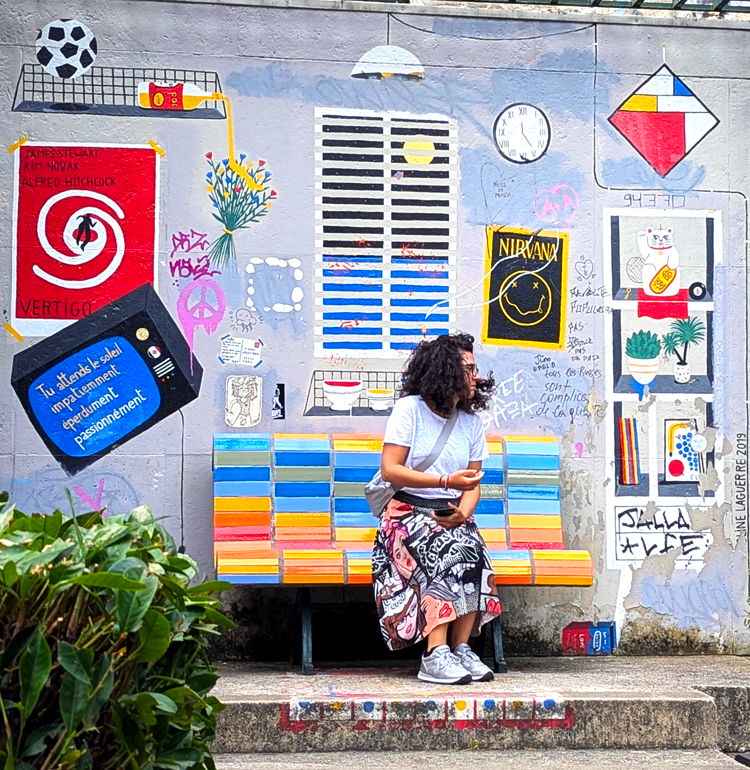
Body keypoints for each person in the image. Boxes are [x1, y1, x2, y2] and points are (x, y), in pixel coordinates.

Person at [371, 332, 501, 685]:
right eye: (468, 369)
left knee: (472, 549)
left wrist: (462, 512)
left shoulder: (471, 423)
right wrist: (446, 483)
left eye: (475, 369)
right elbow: (391, 469)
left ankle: (460, 649)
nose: (475, 376)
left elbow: (472, 481)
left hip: (449, 512)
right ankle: (434, 653)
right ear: (445, 371)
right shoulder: (409, 410)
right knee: (443, 549)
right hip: (405, 516)